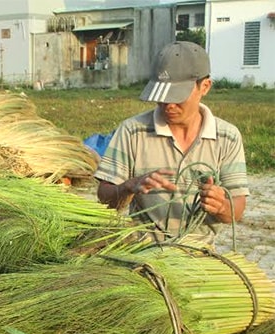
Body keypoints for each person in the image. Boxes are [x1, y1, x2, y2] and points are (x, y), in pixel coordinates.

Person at [94, 41, 249, 244]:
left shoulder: (227, 137)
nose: (169, 106)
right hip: (143, 253)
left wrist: (221, 206)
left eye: (177, 97)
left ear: (205, 87)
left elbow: (236, 211)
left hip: (199, 257)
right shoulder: (132, 131)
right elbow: (105, 199)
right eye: (162, 97)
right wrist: (129, 186)